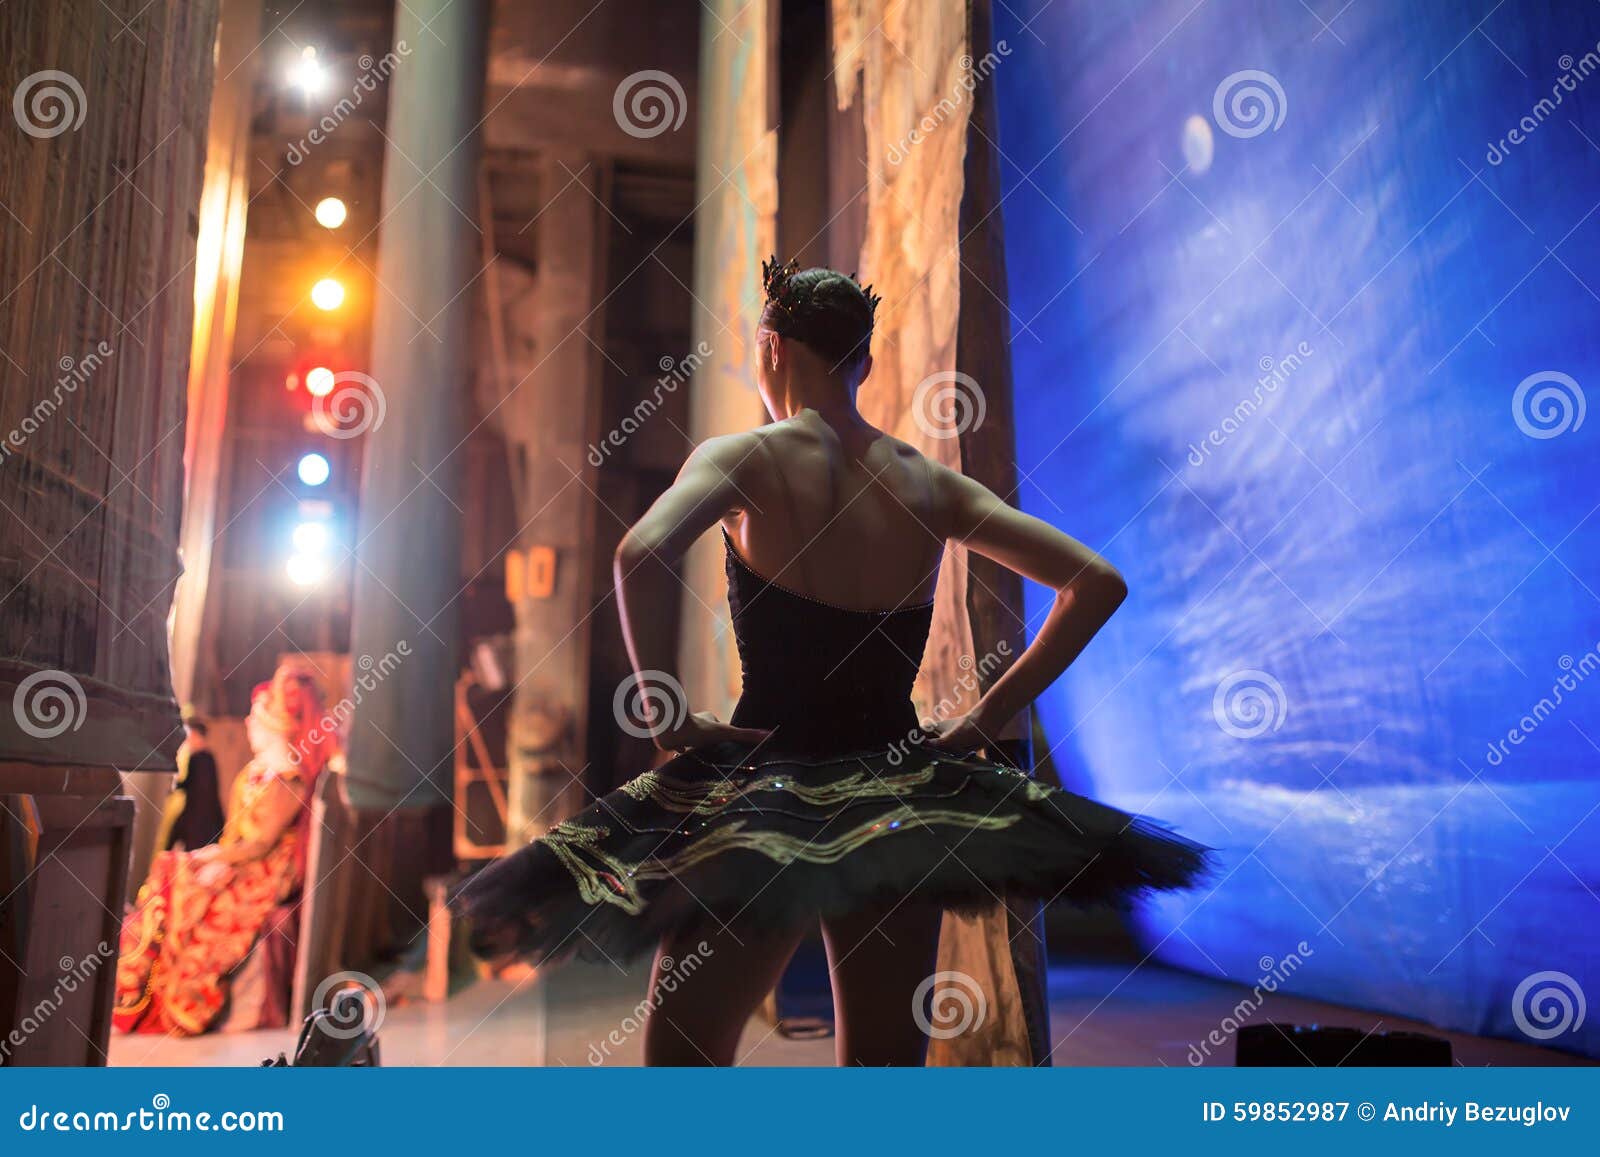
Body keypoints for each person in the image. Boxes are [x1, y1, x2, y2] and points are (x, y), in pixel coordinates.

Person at [457, 257, 1210, 1066]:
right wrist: (988, 715)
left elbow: (640, 552)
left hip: (767, 788)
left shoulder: (744, 457)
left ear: (769, 348)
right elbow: (1097, 584)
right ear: (867, 363)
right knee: (883, 1067)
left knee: (683, 1054)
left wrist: (668, 713)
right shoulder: (930, 484)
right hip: (900, 796)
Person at [113, 660, 335, 1035]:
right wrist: (217, 855)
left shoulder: (287, 776)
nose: (248, 724)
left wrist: (218, 857)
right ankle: (139, 985)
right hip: (243, 858)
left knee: (178, 873)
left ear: (274, 725)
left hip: (265, 869)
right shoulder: (257, 770)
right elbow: (239, 836)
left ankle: (167, 994)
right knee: (173, 869)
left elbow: (262, 843)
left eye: (255, 718)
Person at [153, 714, 226, 853]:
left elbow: (199, 789)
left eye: (189, 735)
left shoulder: (200, 758)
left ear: (197, 735)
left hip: (198, 819)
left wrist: (176, 786)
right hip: (201, 818)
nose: (187, 740)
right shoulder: (207, 758)